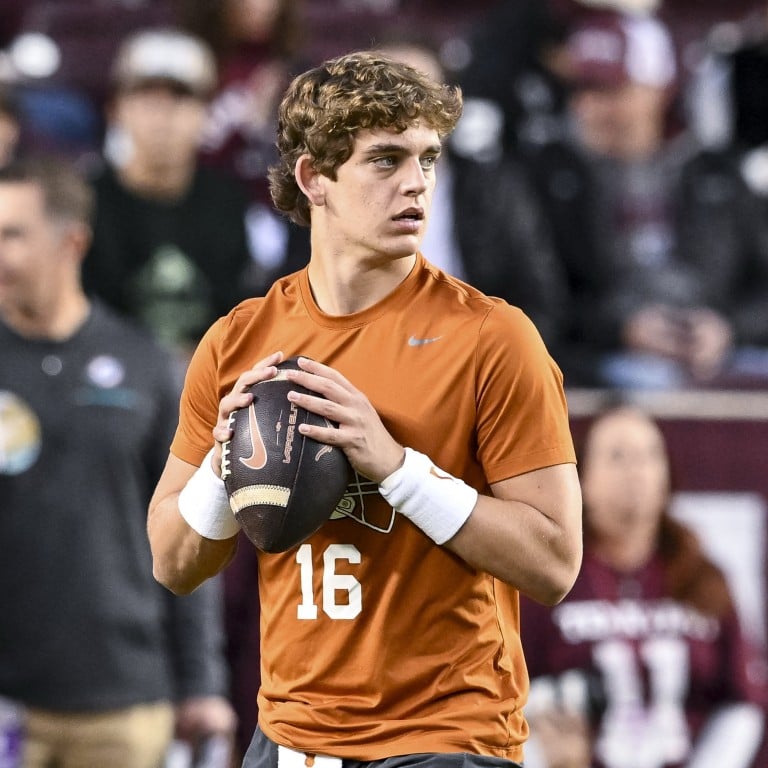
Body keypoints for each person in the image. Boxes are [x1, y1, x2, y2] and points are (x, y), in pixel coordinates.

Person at [147, 50, 583, 768]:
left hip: (444, 737)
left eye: (428, 158)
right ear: (313, 178)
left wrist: (398, 468)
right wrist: (222, 470)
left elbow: (554, 561)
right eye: (385, 160)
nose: (417, 183)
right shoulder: (238, 341)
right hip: (291, 739)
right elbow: (172, 562)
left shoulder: (493, 337)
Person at [0, 155, 235, 768]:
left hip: (125, 701)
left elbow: (189, 529)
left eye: (11, 235)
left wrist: (203, 684)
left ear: (72, 243)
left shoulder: (145, 365)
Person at [520, 11, 768, 389]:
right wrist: (620, 329)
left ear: (658, 89)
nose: (588, 107)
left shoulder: (718, 173)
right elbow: (527, 300)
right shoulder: (545, 179)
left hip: (719, 351)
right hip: (601, 364)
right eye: (579, 91)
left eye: (609, 91)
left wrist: (727, 328)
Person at [521, 405, 766, 768]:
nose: (636, 471)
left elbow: (743, 702)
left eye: (650, 455)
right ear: (581, 478)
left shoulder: (703, 577)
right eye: (618, 456)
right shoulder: (546, 578)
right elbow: (509, 698)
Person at [82, 27, 252, 366]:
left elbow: (240, 309)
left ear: (206, 113)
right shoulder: (85, 200)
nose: (163, 118)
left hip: (211, 373)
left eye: (180, 99)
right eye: (147, 99)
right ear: (116, 110)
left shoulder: (229, 201)